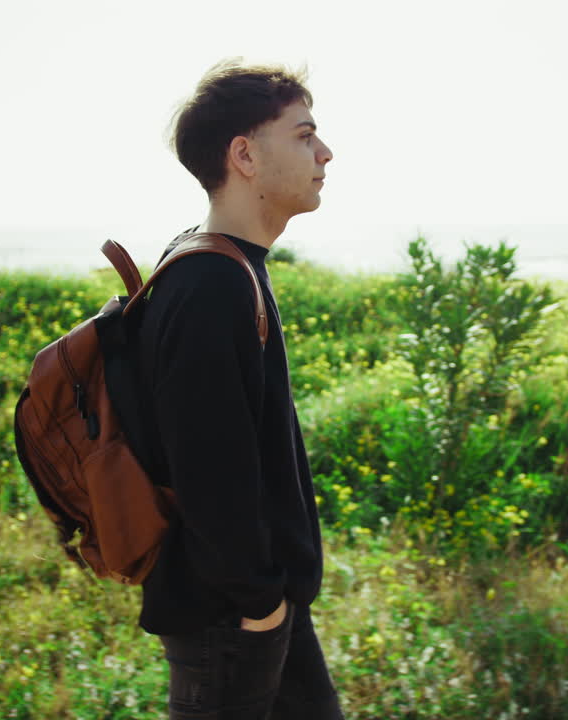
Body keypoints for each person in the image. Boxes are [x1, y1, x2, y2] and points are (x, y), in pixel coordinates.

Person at [134, 60, 342, 719]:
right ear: (245, 155)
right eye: (305, 134)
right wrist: (262, 606)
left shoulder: (220, 265)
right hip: (233, 624)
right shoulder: (210, 285)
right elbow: (208, 471)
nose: (325, 152)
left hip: (249, 615)